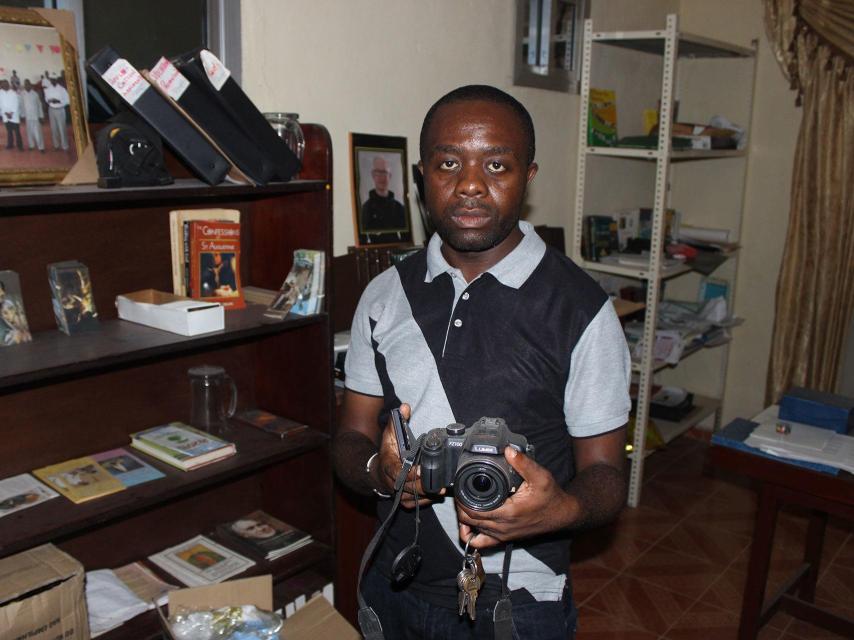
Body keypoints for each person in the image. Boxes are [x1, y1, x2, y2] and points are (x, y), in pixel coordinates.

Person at [332, 85, 631, 639]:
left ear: (528, 175)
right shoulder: (382, 296)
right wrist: (382, 472)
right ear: (421, 175)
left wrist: (559, 510)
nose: (470, 184)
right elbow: (350, 437)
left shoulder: (581, 310)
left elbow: (608, 475)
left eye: (497, 164)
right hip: (393, 584)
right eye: (449, 163)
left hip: (518, 600)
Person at [360, 155, 407, 232]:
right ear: (373, 175)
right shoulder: (365, 210)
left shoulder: (401, 210)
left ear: (390, 176)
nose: (382, 177)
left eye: (385, 172)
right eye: (378, 172)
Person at [44, 77, 69, 151]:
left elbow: (68, 100)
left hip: (60, 110)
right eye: (51, 80)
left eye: (54, 79)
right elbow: (46, 98)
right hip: (51, 110)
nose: (53, 81)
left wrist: (59, 101)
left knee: (62, 128)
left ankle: (65, 146)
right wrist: (49, 101)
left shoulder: (62, 89)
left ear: (56, 80)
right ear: (50, 80)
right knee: (54, 129)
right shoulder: (48, 89)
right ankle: (56, 145)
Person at [20, 80, 45, 153]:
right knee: (29, 132)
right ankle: (31, 145)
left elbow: (39, 105)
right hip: (27, 116)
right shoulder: (22, 94)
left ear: (30, 85)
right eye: (25, 84)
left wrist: (41, 116)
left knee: (38, 132)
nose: (27, 86)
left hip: (35, 115)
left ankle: (41, 147)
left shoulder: (35, 94)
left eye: (28, 84)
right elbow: (21, 105)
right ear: (24, 85)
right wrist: (22, 115)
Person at [0, 80, 23, 151]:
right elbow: (0, 104)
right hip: (5, 115)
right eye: (3, 85)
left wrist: (11, 113)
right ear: (1, 86)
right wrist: (6, 113)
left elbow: (16, 104)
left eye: (6, 84)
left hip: (14, 115)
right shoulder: (0, 93)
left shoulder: (13, 93)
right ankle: (10, 144)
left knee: (17, 131)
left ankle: (20, 146)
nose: (5, 86)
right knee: (9, 131)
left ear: (8, 84)